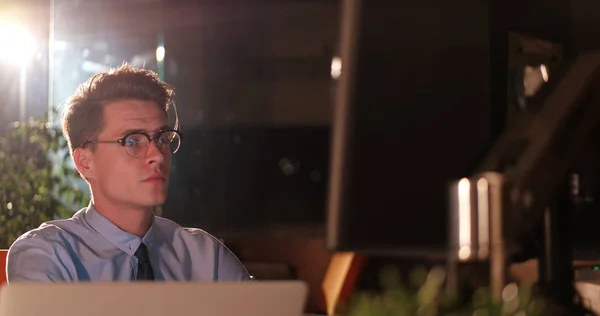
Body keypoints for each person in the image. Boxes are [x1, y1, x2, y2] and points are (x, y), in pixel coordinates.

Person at [6, 64, 251, 282]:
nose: (157, 154)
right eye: (132, 141)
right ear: (85, 162)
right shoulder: (49, 253)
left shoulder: (204, 256)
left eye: (163, 138)